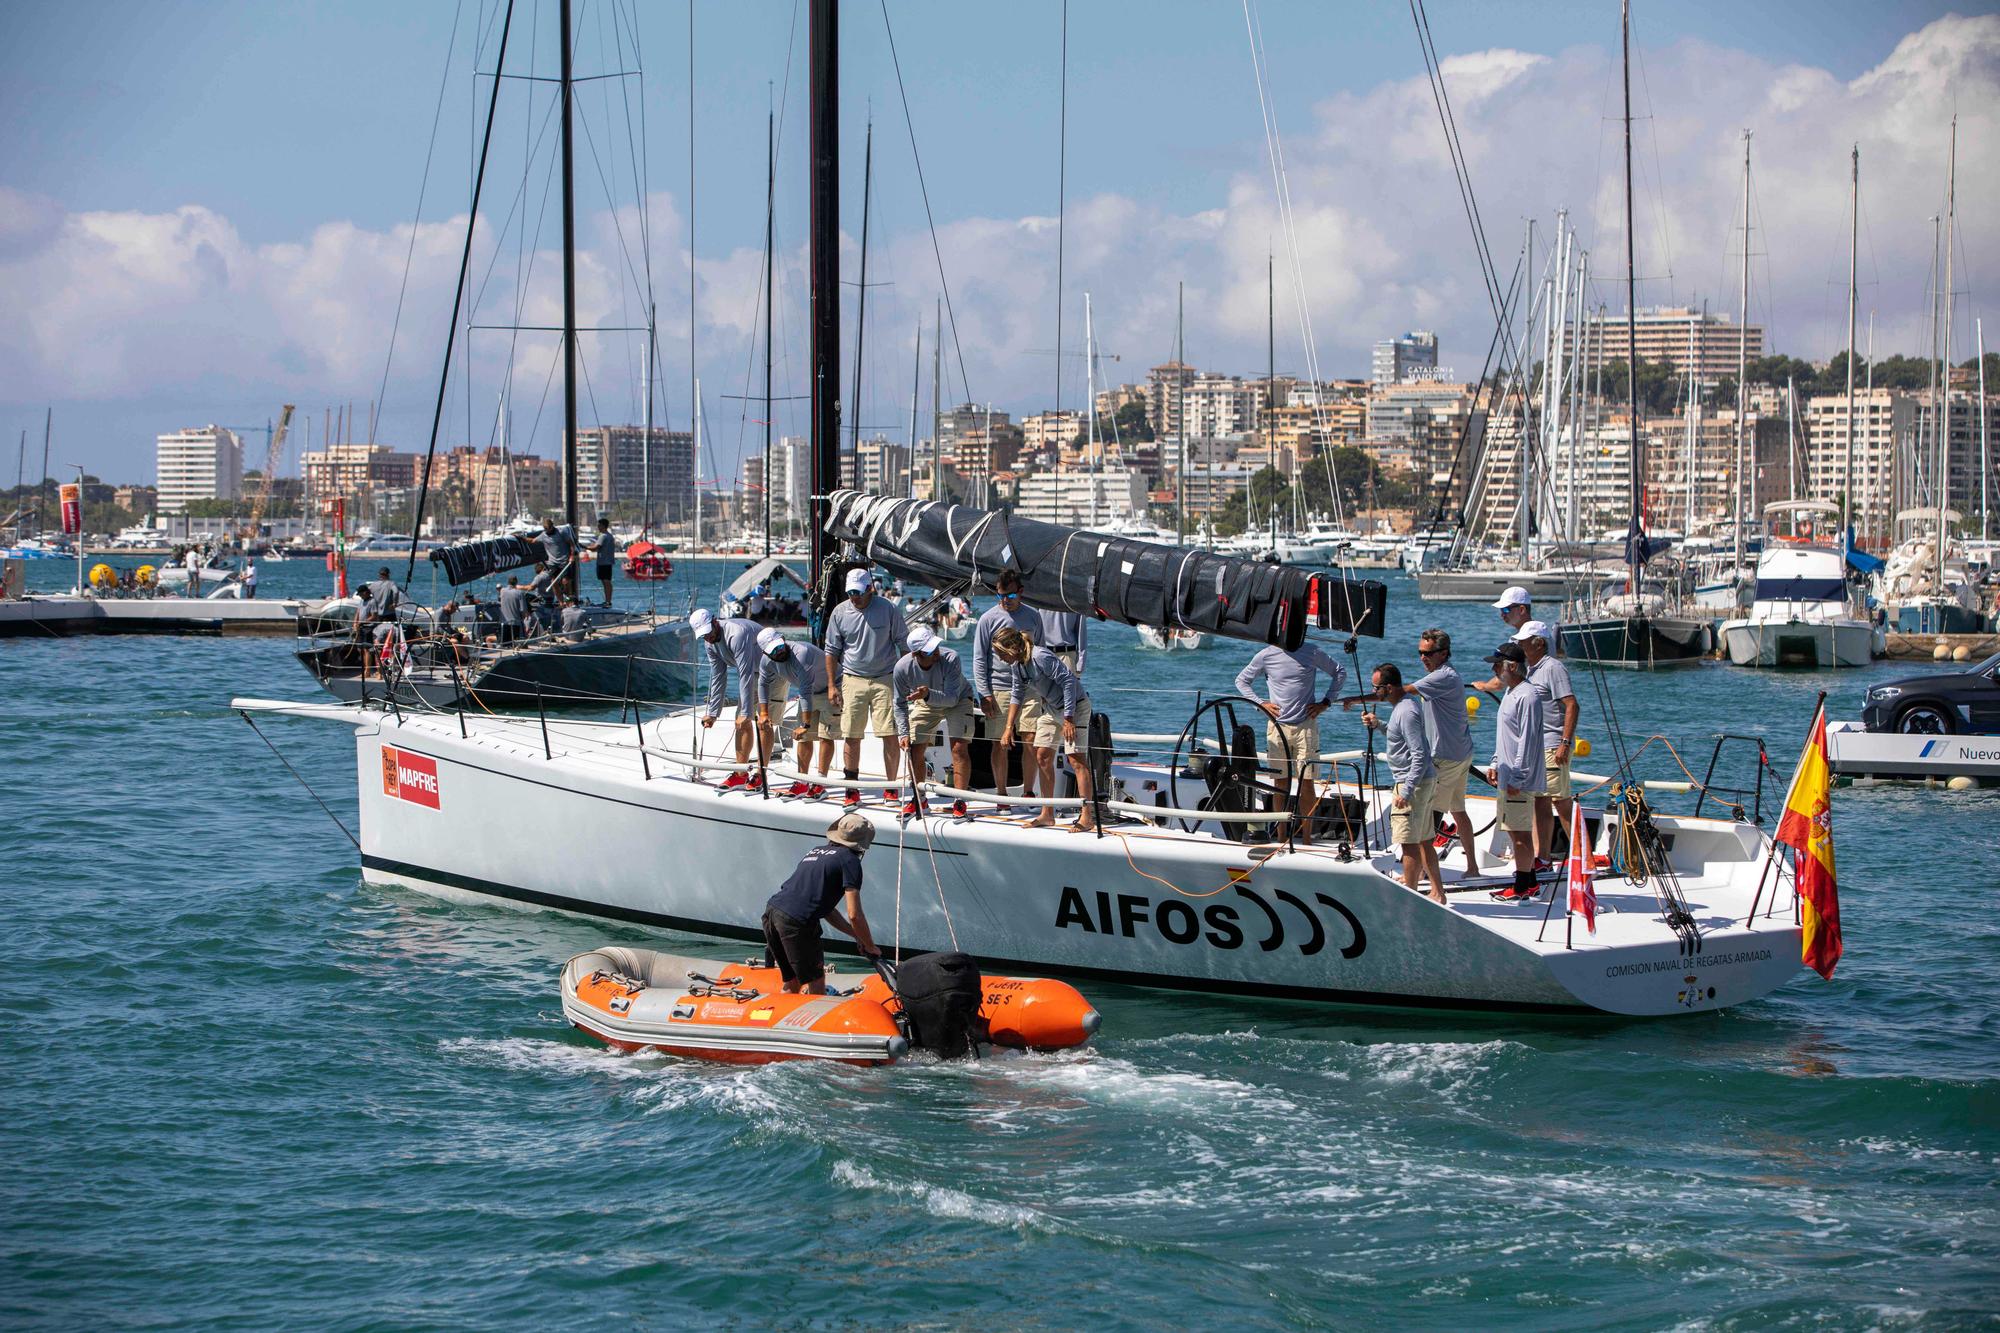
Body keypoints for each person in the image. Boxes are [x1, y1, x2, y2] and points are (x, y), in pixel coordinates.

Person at [1236, 637, 1346, 844]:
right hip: (1277, 728)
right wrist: (1260, 704)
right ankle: (1281, 836)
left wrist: (1326, 702)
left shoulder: (1311, 651)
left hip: (1306, 726)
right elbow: (1241, 680)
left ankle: (1307, 839)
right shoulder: (1266, 654)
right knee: (1280, 783)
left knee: (1307, 784)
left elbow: (1339, 672)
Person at [761, 812, 882, 995]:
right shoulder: (850, 861)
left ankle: (781, 1014)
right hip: (797, 923)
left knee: (792, 980)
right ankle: (816, 1014)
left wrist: (856, 936)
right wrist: (870, 945)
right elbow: (854, 914)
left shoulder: (816, 852)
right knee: (816, 980)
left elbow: (827, 910)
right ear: (862, 845)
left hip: (772, 912)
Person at [991, 626, 1097, 832]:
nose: (1000, 658)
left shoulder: (1040, 656)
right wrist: (1008, 727)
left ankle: (1087, 817)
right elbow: (1016, 694)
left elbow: (1068, 682)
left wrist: (1068, 719)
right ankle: (1047, 814)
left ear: (1012, 647)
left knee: (1075, 759)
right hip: (1050, 708)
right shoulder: (1017, 666)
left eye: (1001, 653)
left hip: (1075, 707)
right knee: (1042, 755)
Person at [825, 569, 909, 808]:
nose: (854, 597)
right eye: (850, 592)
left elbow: (904, 645)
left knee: (889, 734)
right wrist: (832, 684)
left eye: (859, 593)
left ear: (870, 589)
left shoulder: (889, 609)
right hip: (852, 678)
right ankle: (851, 787)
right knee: (851, 734)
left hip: (885, 678)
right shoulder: (839, 612)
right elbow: (831, 650)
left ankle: (891, 787)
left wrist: (906, 679)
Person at [1362, 662, 1444, 904]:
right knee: (1424, 841)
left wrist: (1406, 791)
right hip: (1422, 781)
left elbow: (1419, 754)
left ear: (1388, 688)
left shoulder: (1406, 710)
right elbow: (1399, 739)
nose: (1374, 692)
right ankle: (1438, 893)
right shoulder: (1404, 706)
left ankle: (1409, 898)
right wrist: (1379, 726)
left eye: (1376, 688)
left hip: (1412, 784)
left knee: (1408, 843)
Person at [1406, 628, 1479, 875]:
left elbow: (1403, 692)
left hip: (1445, 757)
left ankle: (1421, 872)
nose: (1422, 658)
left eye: (1428, 653)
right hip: (1461, 753)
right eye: (1419, 652)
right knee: (1459, 811)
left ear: (1444, 653)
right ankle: (1472, 868)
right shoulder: (1447, 676)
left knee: (1429, 815)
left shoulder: (1442, 677)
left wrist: (1357, 698)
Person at [972, 570, 1045, 802]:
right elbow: (979, 658)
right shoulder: (987, 619)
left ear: (1021, 593)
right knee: (999, 743)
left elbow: (1041, 651)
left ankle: (1028, 791)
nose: (1005, 601)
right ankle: (1001, 794)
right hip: (1000, 687)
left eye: (1010, 596)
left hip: (1030, 688)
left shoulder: (1034, 617)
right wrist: (984, 692)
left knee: (1031, 739)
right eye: (1001, 596)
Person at [892, 627, 976, 818]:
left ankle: (960, 800)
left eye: (936, 645)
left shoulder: (951, 657)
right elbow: (899, 703)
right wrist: (903, 733)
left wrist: (928, 694)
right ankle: (918, 799)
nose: (937, 652)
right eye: (930, 651)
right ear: (916, 654)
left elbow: (952, 699)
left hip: (957, 698)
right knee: (913, 748)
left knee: (959, 748)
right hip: (925, 700)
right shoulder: (902, 668)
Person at [1485, 641, 1545, 902]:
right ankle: (1529, 881)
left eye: (1498, 665)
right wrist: (1496, 762)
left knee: (1519, 834)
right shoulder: (1511, 692)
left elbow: (1527, 740)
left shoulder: (1527, 696)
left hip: (1518, 778)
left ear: (1512, 666)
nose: (1495, 670)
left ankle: (1522, 887)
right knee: (1514, 830)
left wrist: (1518, 777)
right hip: (1508, 774)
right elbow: (1507, 736)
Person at [1515, 620, 1577, 864]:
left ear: (1538, 643)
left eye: (1523, 641)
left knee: (1560, 801)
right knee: (1540, 801)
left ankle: (1581, 856)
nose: (1519, 644)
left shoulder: (1553, 668)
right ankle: (1543, 856)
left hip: (1553, 744)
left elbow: (1571, 704)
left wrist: (1565, 742)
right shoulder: (1529, 669)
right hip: (1537, 747)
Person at [690, 607, 766, 789]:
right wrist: (712, 713)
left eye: (708, 633)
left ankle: (761, 773)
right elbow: (718, 676)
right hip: (753, 672)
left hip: (771, 669)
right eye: (703, 636)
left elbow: (745, 673)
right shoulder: (709, 643)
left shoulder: (736, 634)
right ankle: (741, 774)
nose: (708, 638)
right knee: (741, 721)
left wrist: (746, 712)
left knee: (763, 721)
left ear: (715, 622)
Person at [757, 627, 835, 798]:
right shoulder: (766, 661)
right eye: (773, 651)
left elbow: (805, 689)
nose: (779, 652)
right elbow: (763, 684)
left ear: (783, 639)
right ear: (765, 652)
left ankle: (820, 783)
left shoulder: (801, 653)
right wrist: (763, 714)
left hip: (831, 688)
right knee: (805, 738)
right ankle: (802, 781)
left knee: (824, 735)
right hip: (809, 693)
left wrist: (805, 724)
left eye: (780, 646)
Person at [1041, 608, 1088, 676]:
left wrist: (1081, 662)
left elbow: (1081, 629)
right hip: (1044, 654)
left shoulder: (1074, 600)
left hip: (1067, 656)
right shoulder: (1039, 598)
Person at [539, 516, 576, 595]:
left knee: (565, 581)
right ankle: (561, 602)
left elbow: (571, 544)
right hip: (553, 562)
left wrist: (572, 555)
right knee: (553, 582)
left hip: (564, 561)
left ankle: (569, 599)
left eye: (549, 529)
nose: (547, 531)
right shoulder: (543, 535)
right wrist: (522, 538)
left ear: (552, 526)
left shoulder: (561, 532)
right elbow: (533, 540)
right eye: (546, 529)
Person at [590, 518, 617, 606]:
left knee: (606, 582)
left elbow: (595, 548)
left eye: (599, 525)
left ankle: (608, 601)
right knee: (606, 581)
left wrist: (583, 547)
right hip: (608, 562)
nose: (598, 527)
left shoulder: (603, 536)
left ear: (603, 526)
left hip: (603, 562)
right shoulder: (609, 535)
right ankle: (608, 601)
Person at [497, 576, 529, 645]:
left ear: (508, 582)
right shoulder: (520, 593)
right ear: (516, 582)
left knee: (505, 645)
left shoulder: (502, 591)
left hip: (504, 624)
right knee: (517, 644)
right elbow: (523, 610)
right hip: (515, 624)